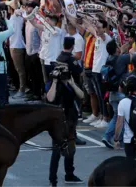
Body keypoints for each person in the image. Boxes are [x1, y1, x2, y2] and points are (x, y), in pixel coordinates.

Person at [46, 37, 85, 186]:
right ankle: (53, 179)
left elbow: (81, 95)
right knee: (56, 150)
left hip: (69, 115)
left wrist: (71, 83)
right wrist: (56, 82)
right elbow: (49, 98)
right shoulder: (53, 81)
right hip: (58, 117)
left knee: (71, 147)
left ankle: (69, 174)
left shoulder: (69, 82)